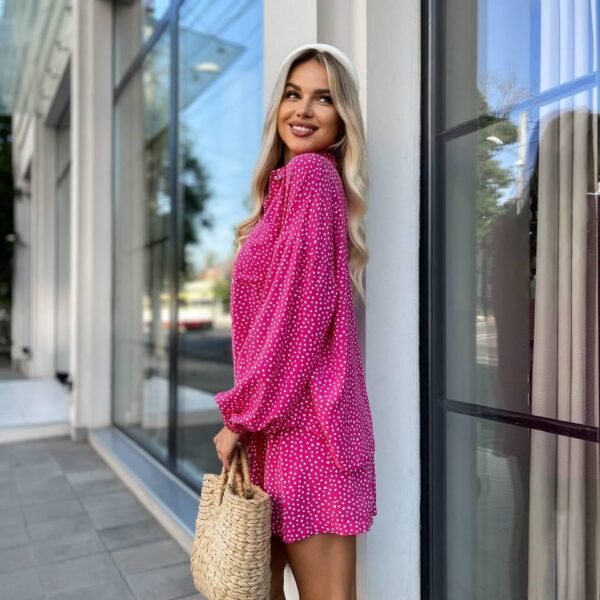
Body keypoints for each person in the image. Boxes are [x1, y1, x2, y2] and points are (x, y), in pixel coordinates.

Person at [212, 42, 376, 600]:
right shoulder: (284, 191)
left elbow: (296, 320)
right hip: (278, 431)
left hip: (307, 435)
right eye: (293, 94)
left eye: (323, 99)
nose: (303, 110)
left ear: (342, 118)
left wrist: (240, 417)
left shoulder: (312, 177)